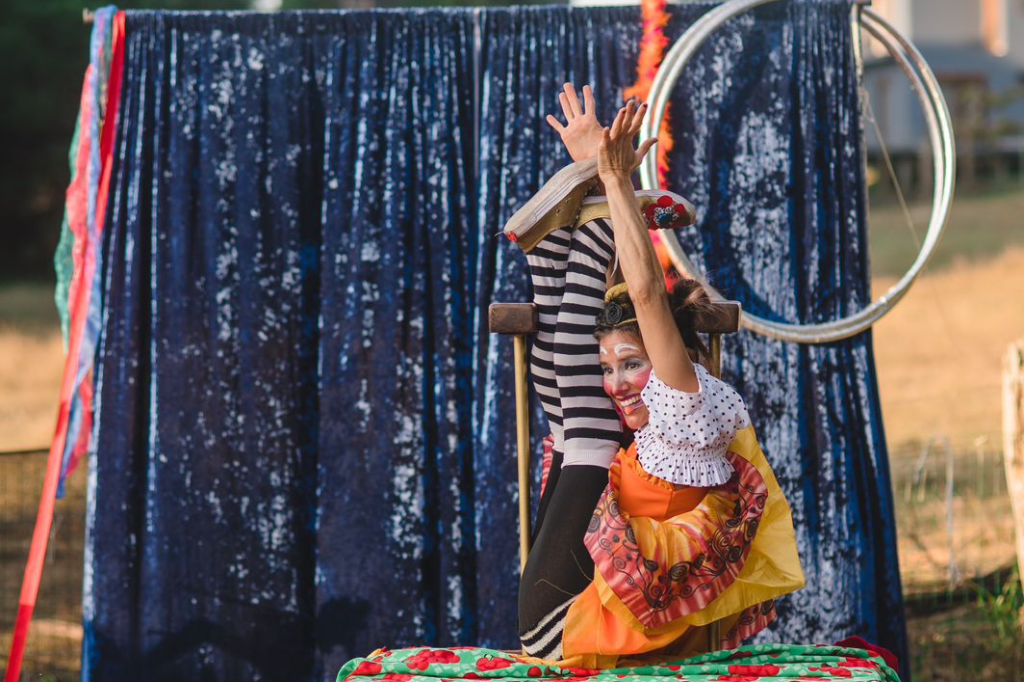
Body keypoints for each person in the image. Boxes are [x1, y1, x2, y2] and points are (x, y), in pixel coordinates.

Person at [503, 85, 805, 669]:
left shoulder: (683, 402)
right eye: (613, 368)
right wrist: (600, 173)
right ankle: (552, 248)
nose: (619, 383)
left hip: (566, 631)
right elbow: (603, 346)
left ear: (669, 355)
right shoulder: (661, 417)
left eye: (633, 365)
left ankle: (595, 220)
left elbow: (644, 293)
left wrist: (612, 178)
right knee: (569, 413)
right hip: (596, 604)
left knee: (585, 424)